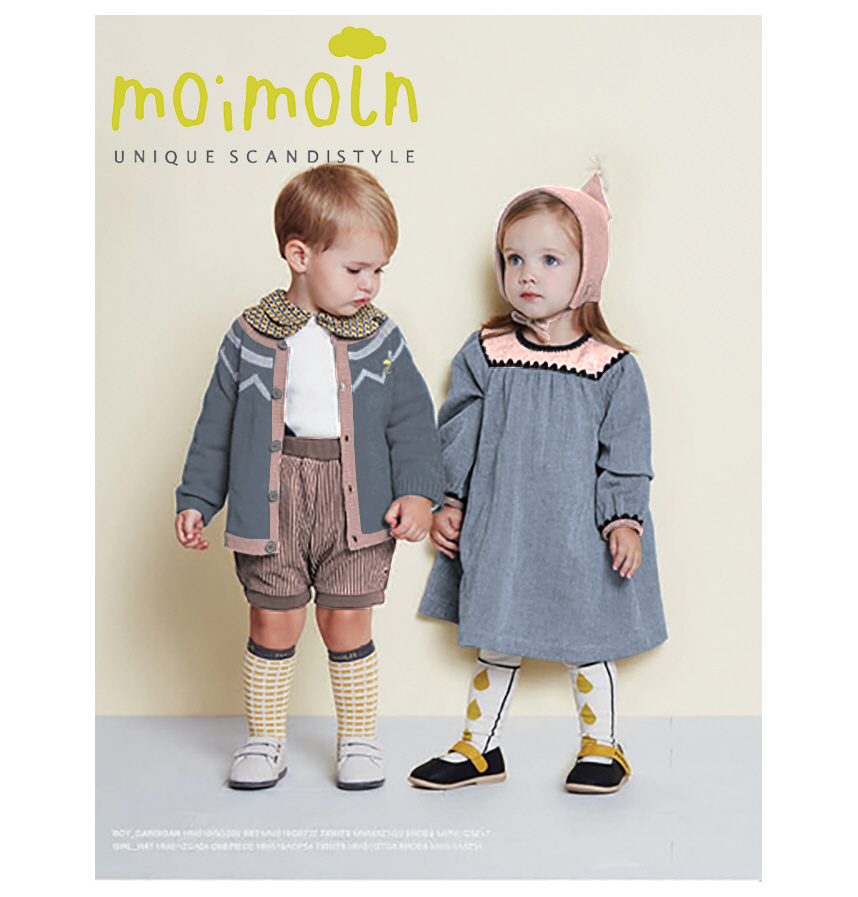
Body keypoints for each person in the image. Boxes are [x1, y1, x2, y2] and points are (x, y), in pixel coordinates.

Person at [175, 164, 444, 791]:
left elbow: (413, 421)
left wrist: (417, 492)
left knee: (346, 622)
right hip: (271, 504)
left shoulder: (381, 339)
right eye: (356, 269)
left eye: (379, 271)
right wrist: (197, 499)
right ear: (300, 256)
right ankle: (265, 740)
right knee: (273, 621)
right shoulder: (249, 337)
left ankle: (359, 740)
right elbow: (216, 424)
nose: (370, 285)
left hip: (359, 506)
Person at [408, 173, 667, 794]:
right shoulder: (489, 351)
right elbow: (459, 429)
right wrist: (450, 499)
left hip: (580, 536)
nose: (528, 274)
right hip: (505, 528)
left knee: (587, 642)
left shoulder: (610, 367)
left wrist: (624, 518)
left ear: (587, 272)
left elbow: (627, 452)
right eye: (514, 258)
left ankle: (602, 746)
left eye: (550, 260)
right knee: (497, 641)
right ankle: (479, 748)